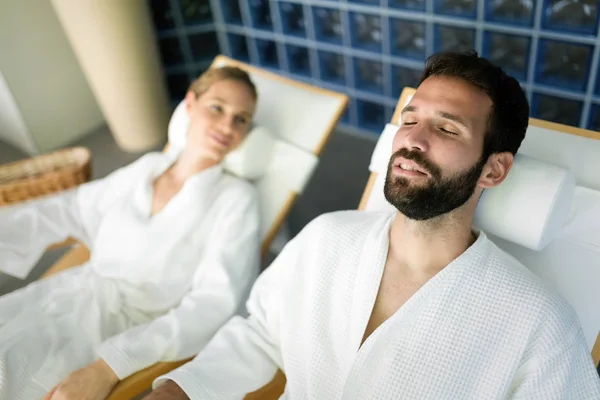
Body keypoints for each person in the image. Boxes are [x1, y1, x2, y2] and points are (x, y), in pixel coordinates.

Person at [145, 51, 600, 400]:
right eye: (410, 119)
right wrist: (176, 390)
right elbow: (262, 335)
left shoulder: (539, 322)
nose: (412, 141)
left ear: (494, 171)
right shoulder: (327, 238)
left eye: (447, 129)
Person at [0, 66, 261, 400]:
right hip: (61, 294)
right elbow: (72, 207)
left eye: (241, 119)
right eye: (217, 108)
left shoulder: (236, 200)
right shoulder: (147, 168)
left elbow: (214, 303)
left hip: (115, 335)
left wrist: (108, 367)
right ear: (191, 104)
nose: (227, 126)